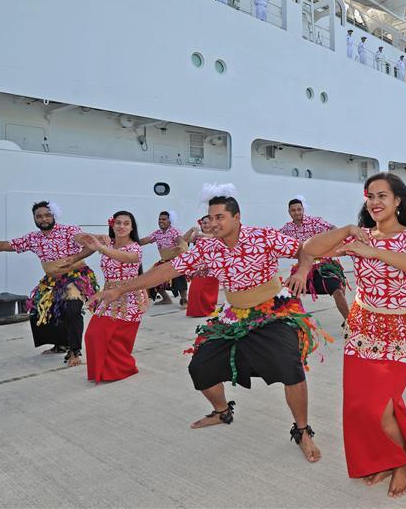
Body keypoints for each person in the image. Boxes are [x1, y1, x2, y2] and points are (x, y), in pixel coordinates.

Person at [90, 184, 331, 462]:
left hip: (273, 311)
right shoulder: (207, 249)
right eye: (210, 217)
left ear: (237, 218)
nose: (213, 223)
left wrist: (302, 272)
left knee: (290, 366)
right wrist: (120, 289)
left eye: (220, 217)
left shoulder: (263, 236)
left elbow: (305, 249)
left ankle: (302, 431)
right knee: (200, 367)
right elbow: (168, 269)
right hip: (233, 314)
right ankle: (222, 411)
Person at [303, 172, 406, 498]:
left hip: (401, 330)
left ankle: (401, 462)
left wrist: (377, 252)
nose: (375, 202)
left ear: (397, 201)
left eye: (382, 196)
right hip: (363, 328)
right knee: (360, 407)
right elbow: (310, 248)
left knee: (383, 407)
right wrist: (349, 231)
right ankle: (383, 459)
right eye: (370, 196)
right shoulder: (359, 238)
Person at [0, 201, 97, 366]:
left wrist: (82, 251)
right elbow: (3, 245)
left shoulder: (69, 230)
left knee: (71, 309)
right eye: (39, 216)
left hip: (75, 276)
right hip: (52, 280)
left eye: (47, 215)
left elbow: (87, 242)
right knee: (41, 309)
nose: (43, 219)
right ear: (34, 218)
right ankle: (61, 344)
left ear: (53, 216)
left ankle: (75, 351)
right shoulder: (33, 238)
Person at [78, 211, 149, 383]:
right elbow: (79, 238)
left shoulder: (135, 248)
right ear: (112, 224)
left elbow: (126, 258)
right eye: (118, 223)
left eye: (126, 223)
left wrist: (102, 248)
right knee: (93, 335)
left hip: (129, 296)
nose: (122, 226)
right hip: (108, 295)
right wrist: (94, 239)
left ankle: (121, 369)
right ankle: (103, 371)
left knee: (117, 339)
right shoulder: (107, 242)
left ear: (132, 228)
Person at [279, 197, 350, 320]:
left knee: (337, 290)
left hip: (324, 265)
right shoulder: (287, 229)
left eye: (299, 209)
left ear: (303, 209)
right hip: (303, 268)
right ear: (289, 212)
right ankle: (299, 323)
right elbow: (276, 241)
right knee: (289, 292)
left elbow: (332, 228)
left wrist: (334, 241)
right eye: (293, 210)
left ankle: (350, 322)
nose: (297, 212)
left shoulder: (315, 221)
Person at [139, 211, 187, 306]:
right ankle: (166, 299)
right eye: (159, 219)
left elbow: (180, 240)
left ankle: (184, 300)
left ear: (170, 221)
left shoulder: (174, 231)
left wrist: (180, 246)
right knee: (152, 277)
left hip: (175, 260)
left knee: (179, 277)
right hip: (164, 260)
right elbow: (145, 240)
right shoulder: (157, 233)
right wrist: (130, 241)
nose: (161, 221)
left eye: (164, 219)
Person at [183, 215, 220, 318]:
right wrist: (191, 230)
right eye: (203, 223)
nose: (205, 225)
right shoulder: (198, 236)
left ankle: (208, 310)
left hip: (212, 268)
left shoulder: (216, 235)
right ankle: (197, 311)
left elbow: (213, 237)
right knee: (195, 290)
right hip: (199, 268)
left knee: (207, 291)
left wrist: (201, 234)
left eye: (208, 223)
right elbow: (185, 239)